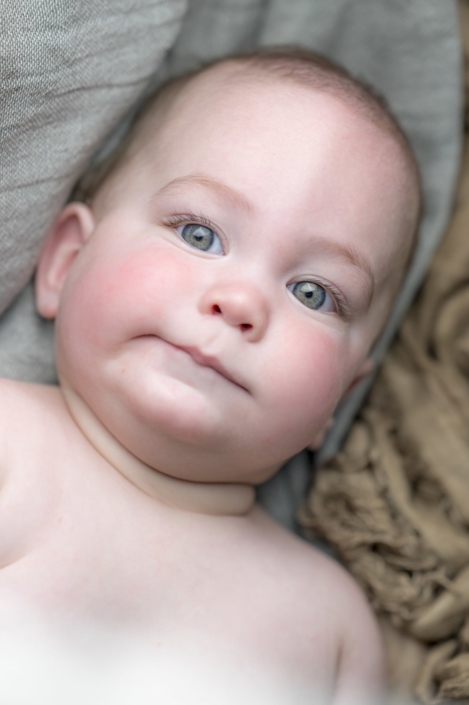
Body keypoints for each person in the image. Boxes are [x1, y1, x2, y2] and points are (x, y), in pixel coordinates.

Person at [0, 49, 420, 704]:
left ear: (339, 396)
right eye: (198, 233)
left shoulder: (333, 627)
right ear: (65, 260)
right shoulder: (10, 440)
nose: (242, 302)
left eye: (313, 293)